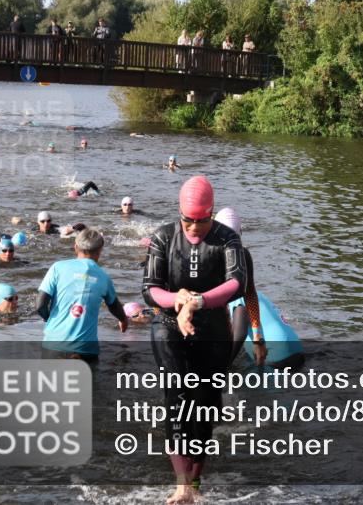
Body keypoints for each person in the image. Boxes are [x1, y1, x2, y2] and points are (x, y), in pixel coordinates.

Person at [142, 176, 257, 503]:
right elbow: (150, 290)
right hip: (168, 326)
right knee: (177, 396)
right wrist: (178, 300)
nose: (193, 228)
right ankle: (180, 482)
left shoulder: (228, 240)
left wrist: (198, 302)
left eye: (201, 221)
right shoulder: (164, 237)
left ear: (210, 215)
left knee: (206, 404)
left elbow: (237, 284)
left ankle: (194, 482)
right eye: (187, 220)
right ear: (180, 214)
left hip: (212, 328)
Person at [215, 208, 303, 369]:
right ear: (240, 232)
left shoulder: (235, 292)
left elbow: (240, 331)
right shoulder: (253, 291)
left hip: (274, 357)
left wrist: (223, 366)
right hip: (295, 348)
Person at [38, 228, 128, 364]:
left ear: (75, 246)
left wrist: (48, 319)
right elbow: (114, 306)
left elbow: (40, 305)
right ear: (100, 250)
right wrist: (124, 320)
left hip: (54, 346)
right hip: (85, 350)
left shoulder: (57, 268)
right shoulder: (103, 277)